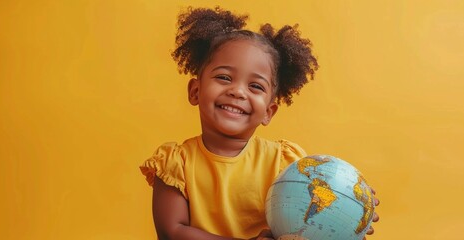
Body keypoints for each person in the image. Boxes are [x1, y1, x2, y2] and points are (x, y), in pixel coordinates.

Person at [139, 6, 378, 240]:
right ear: (195, 91)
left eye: (255, 86)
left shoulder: (284, 163)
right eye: (224, 77)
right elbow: (172, 232)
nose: (238, 92)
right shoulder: (175, 163)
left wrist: (350, 210)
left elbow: (310, 223)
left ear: (269, 112)